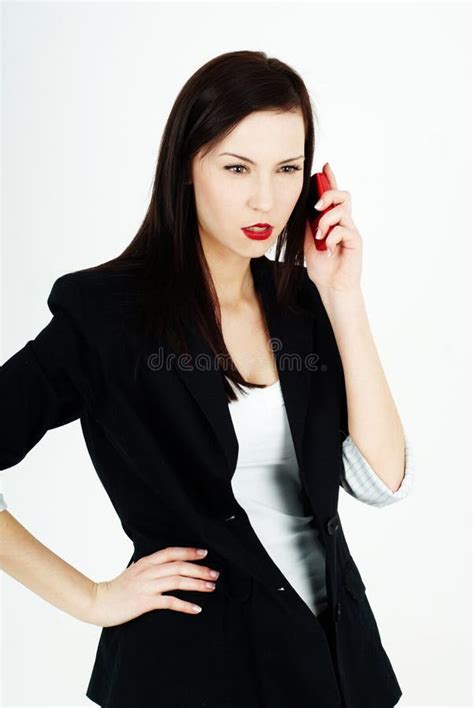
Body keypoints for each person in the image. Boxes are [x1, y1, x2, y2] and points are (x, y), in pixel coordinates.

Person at [0, 50, 414, 707]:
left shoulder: (302, 304)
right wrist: (91, 598)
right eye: (236, 168)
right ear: (187, 169)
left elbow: (380, 482)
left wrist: (343, 295)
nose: (266, 198)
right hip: (191, 672)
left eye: (287, 170)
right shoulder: (106, 316)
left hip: (336, 665)